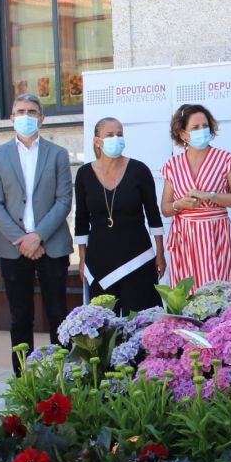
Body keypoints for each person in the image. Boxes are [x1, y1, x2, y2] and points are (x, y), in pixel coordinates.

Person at [0, 93, 73, 375]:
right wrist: (23, 238)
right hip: (14, 248)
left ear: (42, 118)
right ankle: (23, 378)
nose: (26, 116)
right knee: (20, 317)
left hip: (51, 246)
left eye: (32, 111)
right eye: (20, 111)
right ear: (11, 119)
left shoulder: (58, 154)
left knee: (58, 314)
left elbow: (64, 200)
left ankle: (63, 375)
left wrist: (39, 236)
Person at [75, 117, 165, 314]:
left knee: (141, 321)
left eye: (119, 134)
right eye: (110, 135)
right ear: (97, 141)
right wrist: (82, 259)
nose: (116, 138)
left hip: (138, 258)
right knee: (105, 327)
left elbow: (153, 214)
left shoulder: (139, 170)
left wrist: (161, 253)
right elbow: (81, 219)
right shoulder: (84, 174)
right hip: (99, 259)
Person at [160, 103, 231, 288]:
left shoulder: (225, 159)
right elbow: (166, 208)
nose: (202, 130)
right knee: (187, 293)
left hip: (216, 235)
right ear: (182, 133)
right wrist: (180, 204)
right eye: (195, 127)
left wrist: (210, 196)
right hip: (185, 238)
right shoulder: (173, 165)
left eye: (205, 126)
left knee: (218, 291)